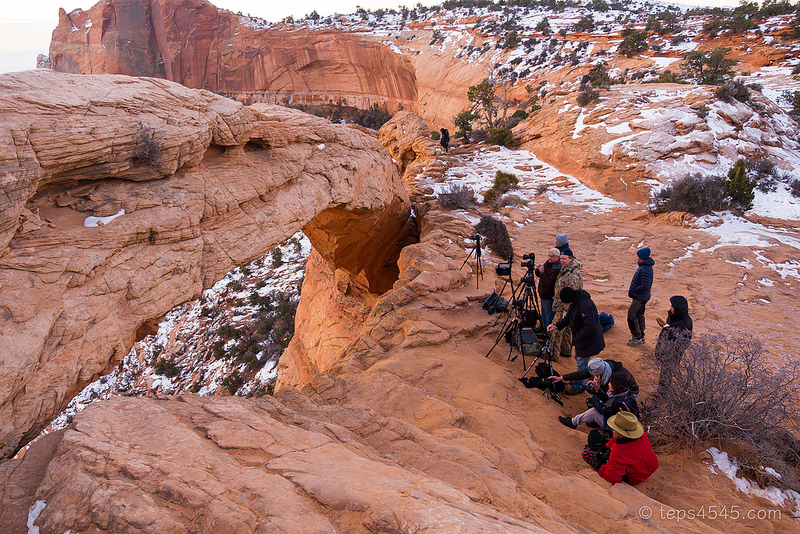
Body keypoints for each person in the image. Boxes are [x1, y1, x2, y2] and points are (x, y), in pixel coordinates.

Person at [547, 286, 604, 392]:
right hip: (583, 340)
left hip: (588, 341)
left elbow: (591, 327)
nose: (566, 305)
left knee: (582, 364)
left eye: (566, 303)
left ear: (569, 300)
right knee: (580, 361)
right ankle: (579, 379)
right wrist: (556, 326)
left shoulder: (584, 305)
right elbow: (569, 317)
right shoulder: (575, 303)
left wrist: (578, 336)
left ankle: (579, 387)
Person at [581, 411, 659, 486]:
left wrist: (600, 464)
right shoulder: (640, 435)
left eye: (615, 429)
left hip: (633, 477)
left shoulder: (619, 452)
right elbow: (617, 439)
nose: (613, 430)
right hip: (645, 466)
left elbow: (611, 477)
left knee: (586, 454)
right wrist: (606, 446)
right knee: (594, 435)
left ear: (623, 433)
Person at [558, 373, 638, 430]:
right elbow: (609, 402)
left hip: (618, 428)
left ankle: (573, 422)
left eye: (611, 383)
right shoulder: (626, 394)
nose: (609, 384)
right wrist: (598, 390)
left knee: (594, 411)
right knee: (597, 405)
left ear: (616, 386)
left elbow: (603, 409)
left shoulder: (618, 401)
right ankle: (577, 421)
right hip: (623, 424)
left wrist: (592, 398)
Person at [550, 356, 639, 397]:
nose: (592, 375)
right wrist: (562, 377)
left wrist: (596, 391)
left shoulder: (615, 378)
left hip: (628, 393)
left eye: (594, 375)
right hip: (615, 386)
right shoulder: (602, 366)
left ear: (599, 373)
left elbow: (611, 397)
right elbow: (583, 373)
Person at [654, 295, 693, 390]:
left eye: (672, 307)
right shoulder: (676, 316)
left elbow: (678, 343)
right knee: (664, 373)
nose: (670, 308)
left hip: (671, 355)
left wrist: (666, 329)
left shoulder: (685, 324)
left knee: (666, 375)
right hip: (666, 352)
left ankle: (661, 395)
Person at [549, 253, 583, 360]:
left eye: (564, 259)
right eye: (561, 259)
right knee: (567, 329)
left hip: (565, 307)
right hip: (565, 306)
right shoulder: (566, 269)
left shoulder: (572, 275)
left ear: (571, 259)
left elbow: (572, 294)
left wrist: (566, 311)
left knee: (556, 329)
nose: (562, 261)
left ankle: (553, 355)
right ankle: (566, 350)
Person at [627, 247, 654, 346]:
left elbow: (645, 285)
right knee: (639, 315)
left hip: (640, 297)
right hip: (642, 297)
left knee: (632, 315)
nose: (636, 257)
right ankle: (641, 336)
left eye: (638, 256)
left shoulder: (645, 268)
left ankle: (637, 337)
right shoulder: (645, 267)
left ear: (641, 257)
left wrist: (635, 290)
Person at [535, 248, 561, 328]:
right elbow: (540, 275)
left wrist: (542, 272)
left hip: (550, 298)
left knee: (549, 319)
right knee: (544, 317)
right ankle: (544, 331)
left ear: (558, 258)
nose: (549, 258)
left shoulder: (557, 269)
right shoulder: (548, 264)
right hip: (544, 297)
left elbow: (549, 283)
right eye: (549, 256)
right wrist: (537, 270)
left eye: (552, 257)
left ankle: (548, 335)